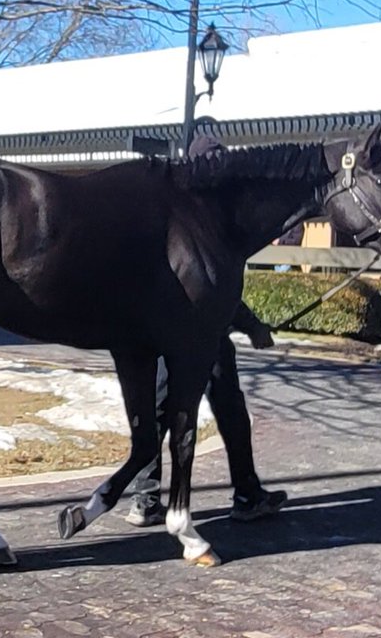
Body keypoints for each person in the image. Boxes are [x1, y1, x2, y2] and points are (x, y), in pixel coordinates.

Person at [124, 135, 283, 527]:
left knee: (162, 413)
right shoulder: (206, 219)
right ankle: (245, 494)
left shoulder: (180, 210)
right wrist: (253, 326)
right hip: (199, 336)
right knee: (225, 411)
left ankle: (147, 499)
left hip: (172, 334)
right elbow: (214, 286)